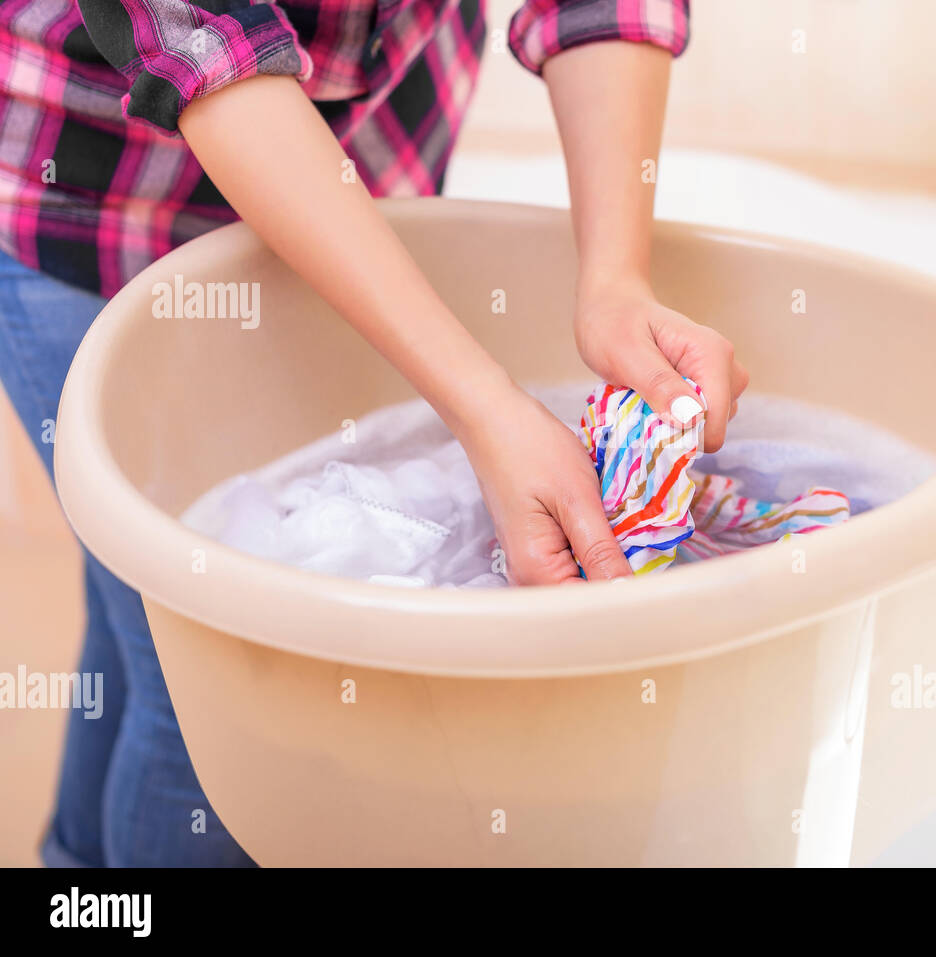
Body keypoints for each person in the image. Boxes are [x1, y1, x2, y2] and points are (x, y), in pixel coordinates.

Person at [0, 0, 746, 866]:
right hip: (102, 209)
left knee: (139, 621)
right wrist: (483, 406)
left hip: (368, 176)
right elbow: (210, 45)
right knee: (218, 696)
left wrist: (615, 279)